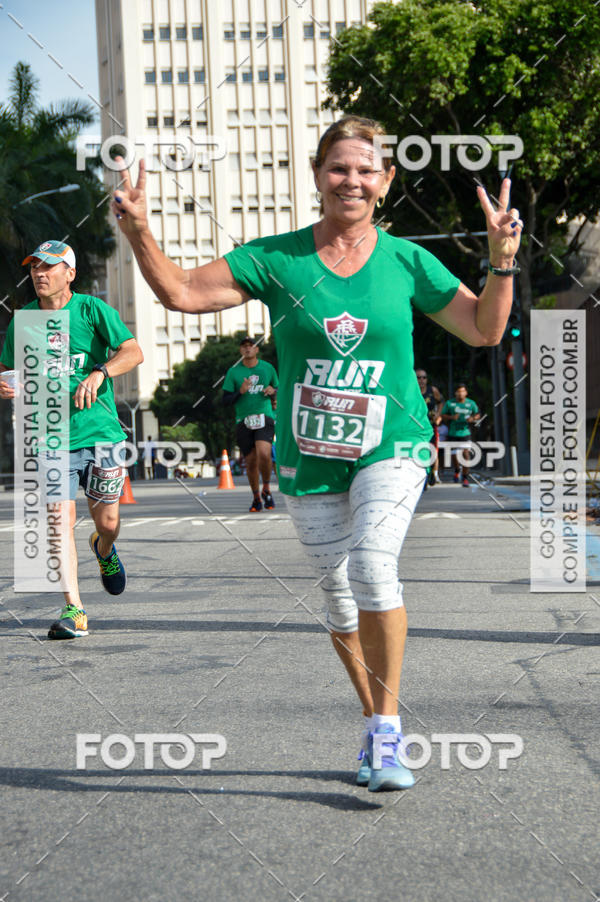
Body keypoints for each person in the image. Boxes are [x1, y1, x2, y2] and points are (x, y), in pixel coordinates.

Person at [111, 115, 521, 791]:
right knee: (337, 597)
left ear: (385, 182)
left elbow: (484, 329)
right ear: (317, 176)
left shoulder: (407, 260)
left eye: (366, 169)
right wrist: (138, 232)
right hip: (308, 455)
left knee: (372, 563)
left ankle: (388, 735)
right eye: (339, 168)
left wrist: (502, 259)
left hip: (394, 443)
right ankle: (374, 722)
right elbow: (181, 293)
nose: (352, 180)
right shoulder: (277, 259)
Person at [0, 240, 143, 639]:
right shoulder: (23, 319)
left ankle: (104, 549)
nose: (39, 274)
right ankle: (74, 610)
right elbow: (6, 367)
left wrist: (100, 372)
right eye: (34, 268)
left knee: (109, 521)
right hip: (50, 437)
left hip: (101, 434)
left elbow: (133, 352)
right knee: (57, 522)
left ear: (70, 274)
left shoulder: (93, 310)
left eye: (48, 267)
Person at [222, 336, 278, 511]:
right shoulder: (234, 372)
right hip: (243, 420)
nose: (247, 349)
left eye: (251, 346)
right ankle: (256, 497)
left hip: (265, 416)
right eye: (244, 346)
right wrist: (240, 392)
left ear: (256, 350)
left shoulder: (267, 368)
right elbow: (225, 400)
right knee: (251, 461)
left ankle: (267, 488)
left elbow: (278, 388)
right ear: (240, 351)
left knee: (264, 453)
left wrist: (273, 391)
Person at [442, 383, 481, 486]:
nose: (460, 394)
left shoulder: (471, 403)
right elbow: (443, 415)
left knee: (466, 454)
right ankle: (457, 470)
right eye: (458, 392)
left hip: (465, 432)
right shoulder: (450, 403)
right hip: (453, 433)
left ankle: (465, 477)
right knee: (454, 455)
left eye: (462, 391)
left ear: (466, 393)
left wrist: (473, 419)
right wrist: (451, 418)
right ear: (455, 393)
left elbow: (478, 414)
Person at [415, 369, 443, 486]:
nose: (421, 380)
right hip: (416, 427)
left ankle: (432, 472)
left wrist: (438, 415)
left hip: (431, 426)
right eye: (419, 377)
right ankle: (422, 476)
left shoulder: (433, 390)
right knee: (419, 450)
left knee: (432, 450)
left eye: (424, 377)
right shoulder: (411, 391)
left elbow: (441, 402)